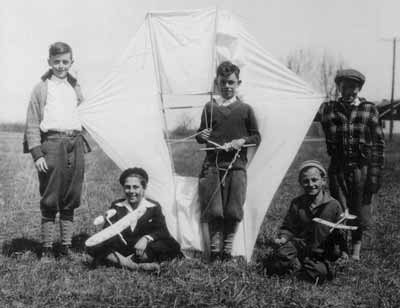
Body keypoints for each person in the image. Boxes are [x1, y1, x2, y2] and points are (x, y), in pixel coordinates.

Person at [23, 42, 91, 260]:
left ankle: (66, 247)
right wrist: (37, 153)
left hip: (75, 143)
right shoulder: (41, 88)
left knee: (71, 196)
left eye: (65, 62)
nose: (61, 66)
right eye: (57, 62)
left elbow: (85, 113)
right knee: (51, 197)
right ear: (49, 62)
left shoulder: (76, 87)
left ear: (72, 62)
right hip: (52, 143)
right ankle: (46, 249)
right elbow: (32, 122)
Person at [196, 61, 261, 261]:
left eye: (231, 82)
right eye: (223, 82)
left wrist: (241, 141)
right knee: (214, 209)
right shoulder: (210, 107)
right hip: (213, 166)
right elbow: (200, 136)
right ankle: (215, 251)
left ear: (238, 83)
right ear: (217, 83)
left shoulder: (246, 109)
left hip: (237, 167)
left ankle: (227, 251)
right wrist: (202, 134)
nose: (227, 86)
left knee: (233, 209)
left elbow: (256, 137)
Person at [317, 69, 385, 260]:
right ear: (339, 87)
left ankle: (356, 247)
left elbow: (379, 143)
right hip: (337, 167)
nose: (350, 91)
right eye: (345, 87)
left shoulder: (369, 109)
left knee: (359, 207)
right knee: (339, 206)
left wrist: (374, 173)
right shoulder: (328, 109)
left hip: (361, 168)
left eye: (354, 88)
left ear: (359, 88)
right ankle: (342, 247)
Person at [265, 160, 347, 284]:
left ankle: (301, 268)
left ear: (323, 181)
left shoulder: (334, 205)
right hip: (299, 246)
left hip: (320, 251)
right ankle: (295, 264)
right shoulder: (297, 203)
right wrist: (282, 238)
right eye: (306, 181)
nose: (310, 184)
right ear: (301, 183)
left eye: (314, 180)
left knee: (319, 274)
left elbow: (342, 232)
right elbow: (288, 226)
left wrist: (343, 252)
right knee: (276, 262)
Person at [85, 167, 182, 271]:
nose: (131, 191)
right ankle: (135, 266)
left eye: (136, 187)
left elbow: (162, 230)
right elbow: (108, 231)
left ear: (143, 188)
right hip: (122, 247)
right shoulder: (117, 205)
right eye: (127, 187)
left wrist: (146, 239)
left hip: (143, 248)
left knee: (171, 244)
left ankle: (118, 261)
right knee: (95, 244)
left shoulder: (153, 206)